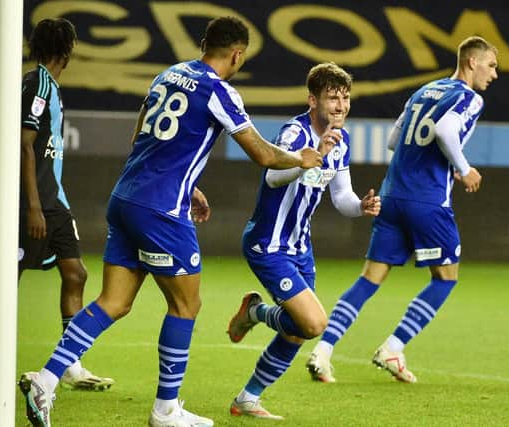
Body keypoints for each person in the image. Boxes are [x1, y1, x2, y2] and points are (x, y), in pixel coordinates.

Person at [18, 16, 322, 427]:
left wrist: (187, 182)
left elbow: (140, 137)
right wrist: (300, 158)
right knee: (185, 304)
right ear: (237, 54)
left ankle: (47, 380)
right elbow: (264, 155)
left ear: (203, 44)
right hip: (162, 211)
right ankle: (165, 410)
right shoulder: (221, 90)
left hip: (126, 198)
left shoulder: (167, 75)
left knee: (114, 302)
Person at [306, 36, 498, 384]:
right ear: (472, 62)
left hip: (392, 194)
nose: (494, 74)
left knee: (369, 278)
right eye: (491, 65)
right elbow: (444, 128)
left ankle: (324, 350)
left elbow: (394, 140)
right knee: (445, 278)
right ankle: (393, 347)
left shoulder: (424, 91)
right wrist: (463, 166)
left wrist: (435, 155)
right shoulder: (469, 97)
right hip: (427, 201)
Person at [226, 62, 380, 419]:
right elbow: (272, 180)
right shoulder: (295, 134)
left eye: (345, 98)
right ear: (313, 100)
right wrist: (311, 159)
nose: (340, 106)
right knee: (313, 324)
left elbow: (342, 198)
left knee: (298, 330)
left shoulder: (341, 140)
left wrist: (362, 206)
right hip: (269, 244)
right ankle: (256, 312)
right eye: (332, 98)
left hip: (299, 249)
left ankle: (247, 398)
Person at [17, 18, 114, 393]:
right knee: (10, 279)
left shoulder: (48, 86)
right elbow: (25, 143)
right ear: (67, 51)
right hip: (37, 202)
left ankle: (70, 365)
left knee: (75, 274)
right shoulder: (38, 83)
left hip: (55, 200)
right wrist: (33, 206)